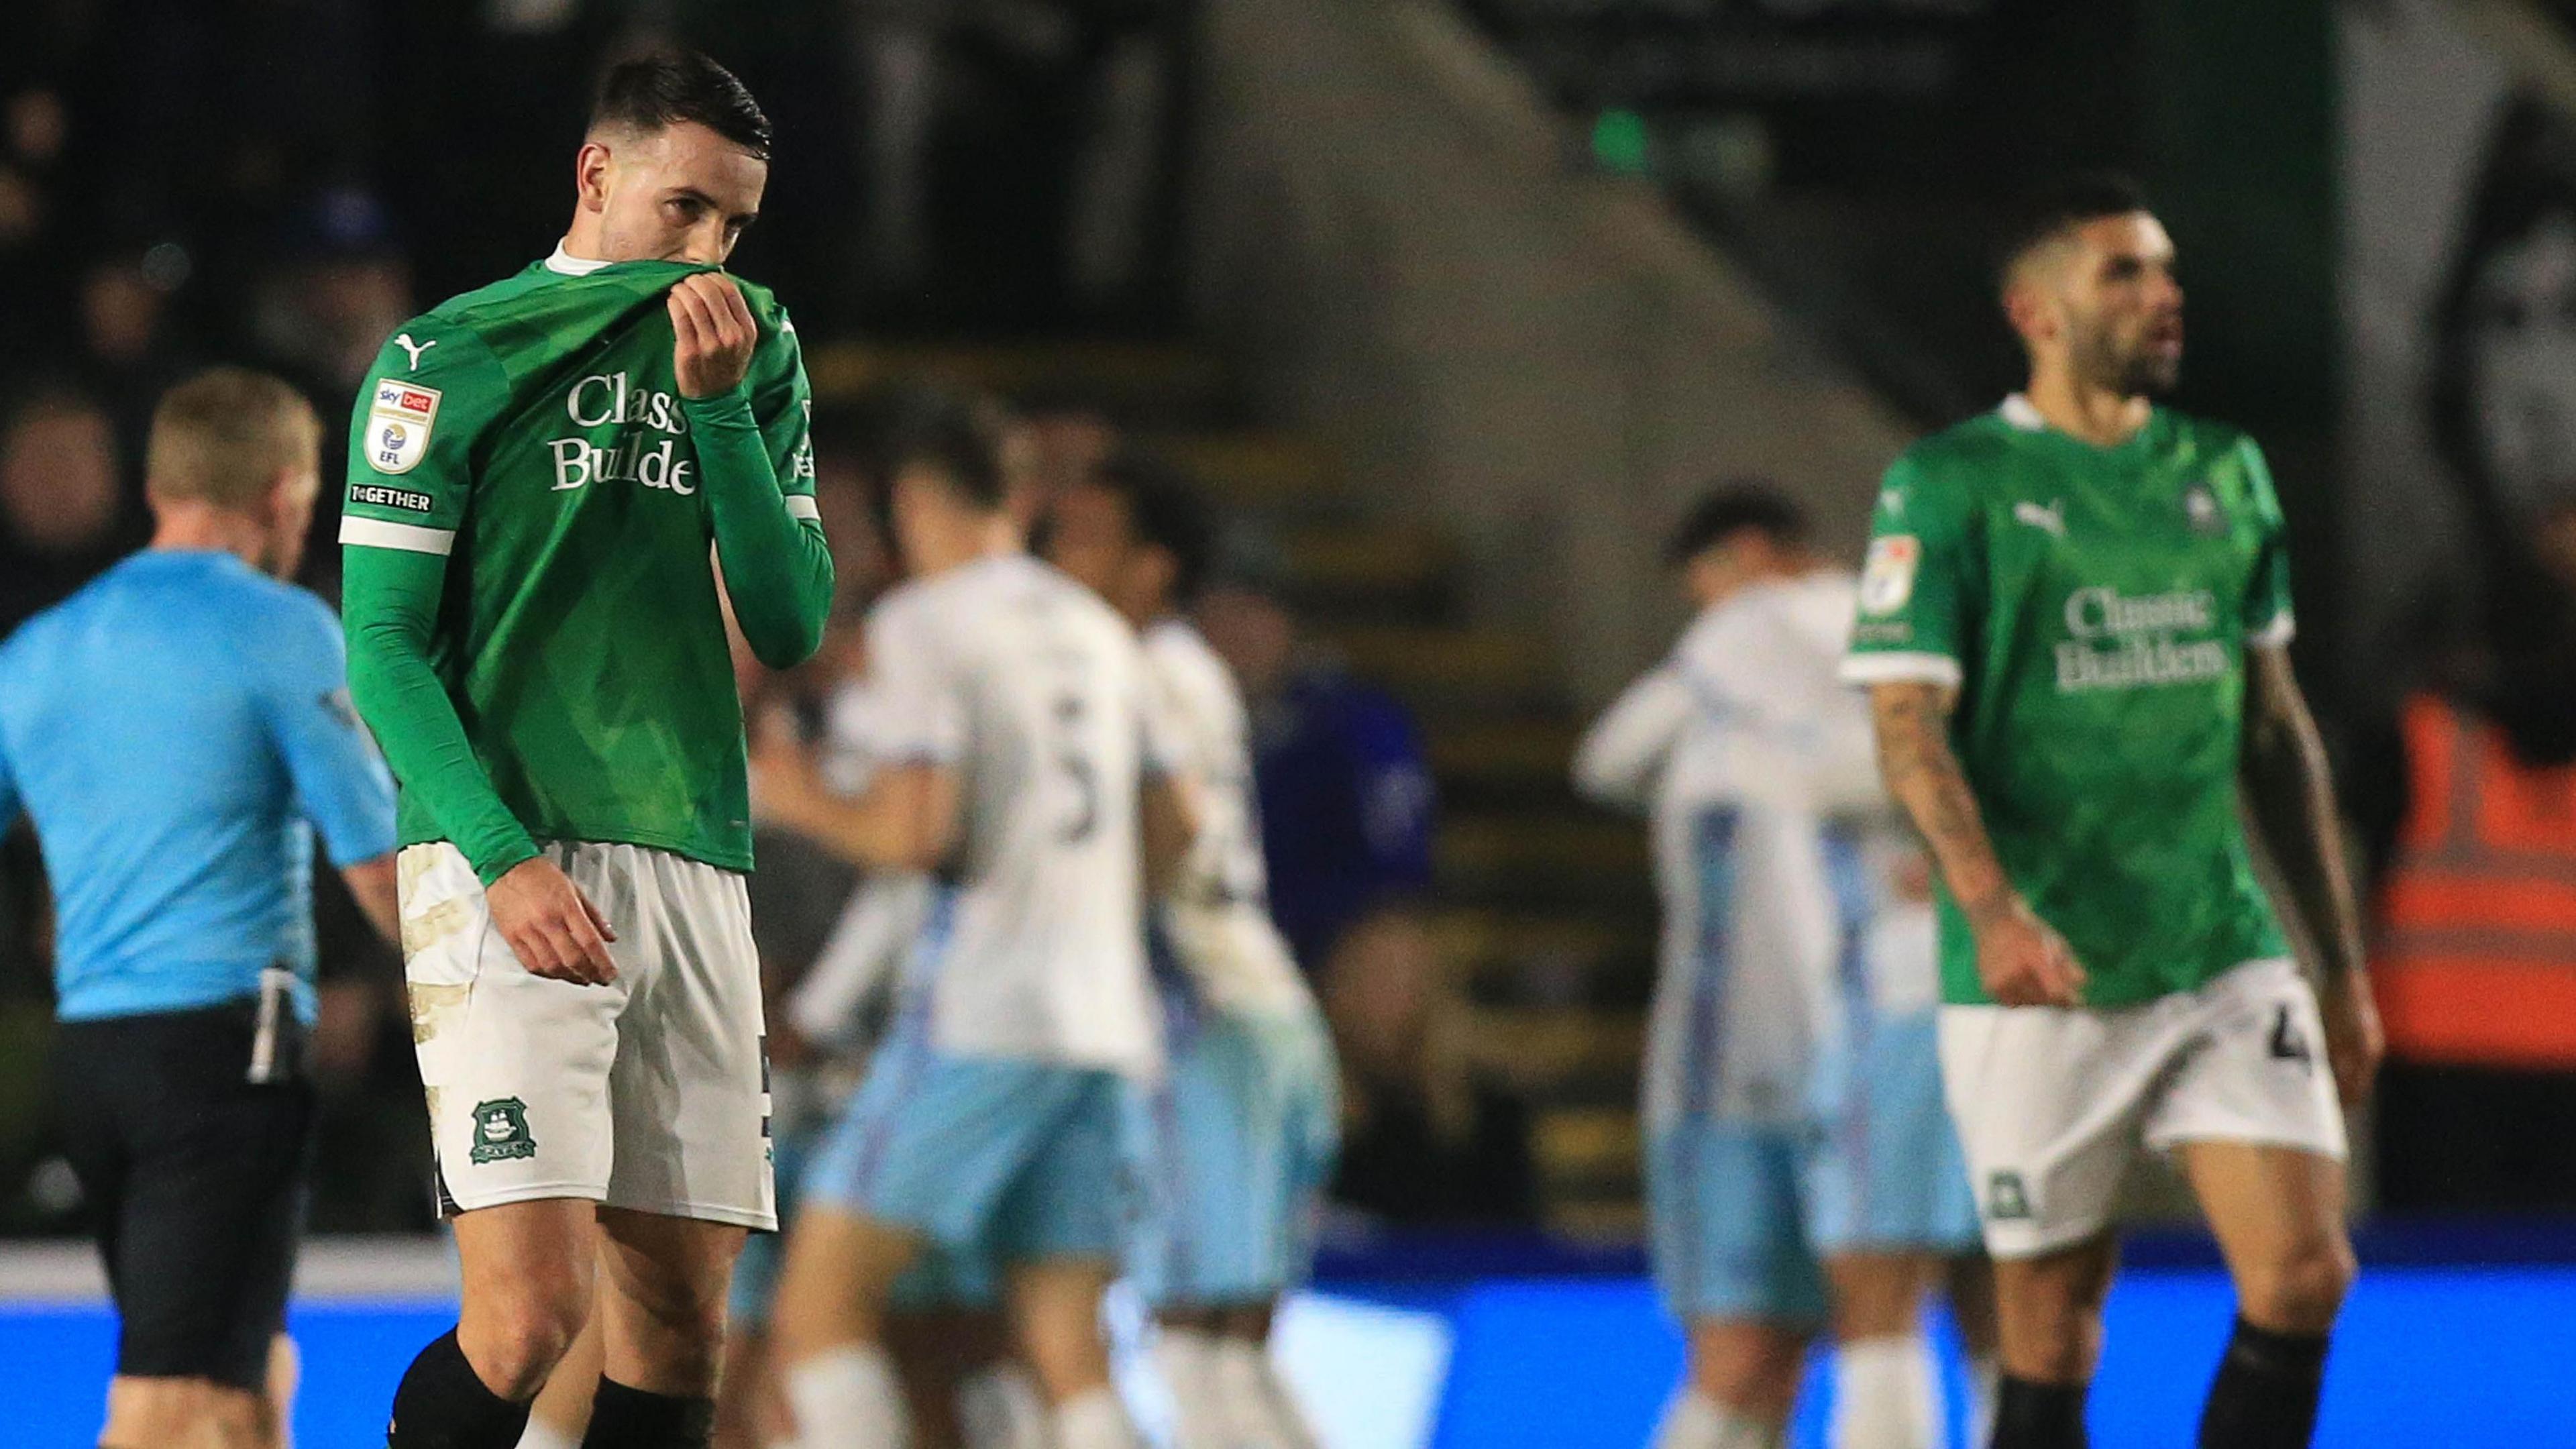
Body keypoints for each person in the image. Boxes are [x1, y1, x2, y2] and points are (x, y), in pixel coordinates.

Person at [339, 52, 833, 1449]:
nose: (709, 253)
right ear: (597, 175)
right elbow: (380, 650)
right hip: (513, 851)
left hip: (692, 852)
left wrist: (723, 409)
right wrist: (498, 860)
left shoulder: (756, 350)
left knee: (681, 1322)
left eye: (735, 225)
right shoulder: (448, 356)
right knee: (527, 1321)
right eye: (686, 209)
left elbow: (790, 622)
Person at [1842, 174, 2380, 1449]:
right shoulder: (1950, 484)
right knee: (2051, 1324)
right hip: (2046, 971)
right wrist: (1996, 912)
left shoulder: (2223, 471)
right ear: (2034, 310)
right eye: (2124, 275)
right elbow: (1907, 725)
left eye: (2168, 273)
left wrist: (2341, 962)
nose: (2162, 298)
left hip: (2219, 946)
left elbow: (2273, 725)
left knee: (2306, 1279)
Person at [751, 394, 1189, 1449]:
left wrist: (792, 794)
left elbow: (912, 833)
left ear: (910, 505)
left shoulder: (924, 623)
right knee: (1063, 1342)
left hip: (983, 1018)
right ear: (1021, 500)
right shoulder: (1096, 626)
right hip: (1107, 1025)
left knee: (817, 1318)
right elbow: (1177, 824)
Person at [0, 367, 400, 1449]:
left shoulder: (37, 652)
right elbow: (381, 871)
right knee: (167, 1406)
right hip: (223, 1056)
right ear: (284, 495)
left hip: (94, 1063)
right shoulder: (283, 629)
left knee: (245, 1380)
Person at [1576, 484, 1992, 1449]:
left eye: (1709, 587)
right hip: (1949, 1000)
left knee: (1832, 1324)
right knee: (1991, 1312)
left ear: (1753, 556)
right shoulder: (1931, 646)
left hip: (1787, 1043)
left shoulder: (1757, 635)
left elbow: (1606, 759)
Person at [1044, 449, 1338, 1449]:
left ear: (1152, 567)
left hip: (1199, 1017)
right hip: (1261, 1007)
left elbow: (1165, 838)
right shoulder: (1189, 666)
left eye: (1085, 538)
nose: (1058, 558)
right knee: (1232, 1346)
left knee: (1192, 1339)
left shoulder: (1131, 665)